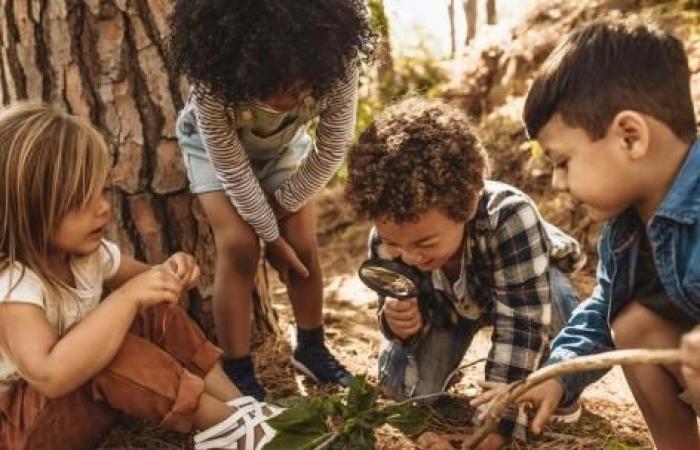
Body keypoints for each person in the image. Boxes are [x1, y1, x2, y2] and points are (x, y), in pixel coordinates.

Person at [0, 103, 281, 450]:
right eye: (80, 201)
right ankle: (227, 429)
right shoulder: (14, 286)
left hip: (78, 407)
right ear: (27, 210)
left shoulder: (88, 255)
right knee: (110, 347)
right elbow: (50, 375)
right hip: (25, 430)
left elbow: (151, 282)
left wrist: (172, 272)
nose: (103, 207)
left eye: (102, 190)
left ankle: (240, 407)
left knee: (151, 306)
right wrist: (126, 298)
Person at [344, 97, 585, 448]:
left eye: (425, 243)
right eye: (396, 244)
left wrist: (495, 429)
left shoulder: (510, 217)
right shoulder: (389, 238)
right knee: (401, 388)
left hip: (524, 295)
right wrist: (399, 326)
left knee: (559, 300)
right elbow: (396, 318)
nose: (409, 258)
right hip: (447, 310)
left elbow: (521, 323)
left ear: (469, 202)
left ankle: (559, 390)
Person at [168, 0, 375, 399]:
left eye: (298, 88)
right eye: (273, 87)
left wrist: (281, 217)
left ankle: (312, 349)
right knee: (240, 245)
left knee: (303, 244)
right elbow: (232, 169)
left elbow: (331, 150)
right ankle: (238, 367)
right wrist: (269, 238)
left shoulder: (339, 64)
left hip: (281, 151)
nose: (287, 99)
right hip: (214, 153)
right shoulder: (213, 83)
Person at [516, 19, 700, 450]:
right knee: (633, 324)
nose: (559, 184)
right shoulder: (625, 231)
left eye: (563, 162)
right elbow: (603, 309)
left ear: (630, 137)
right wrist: (558, 376)